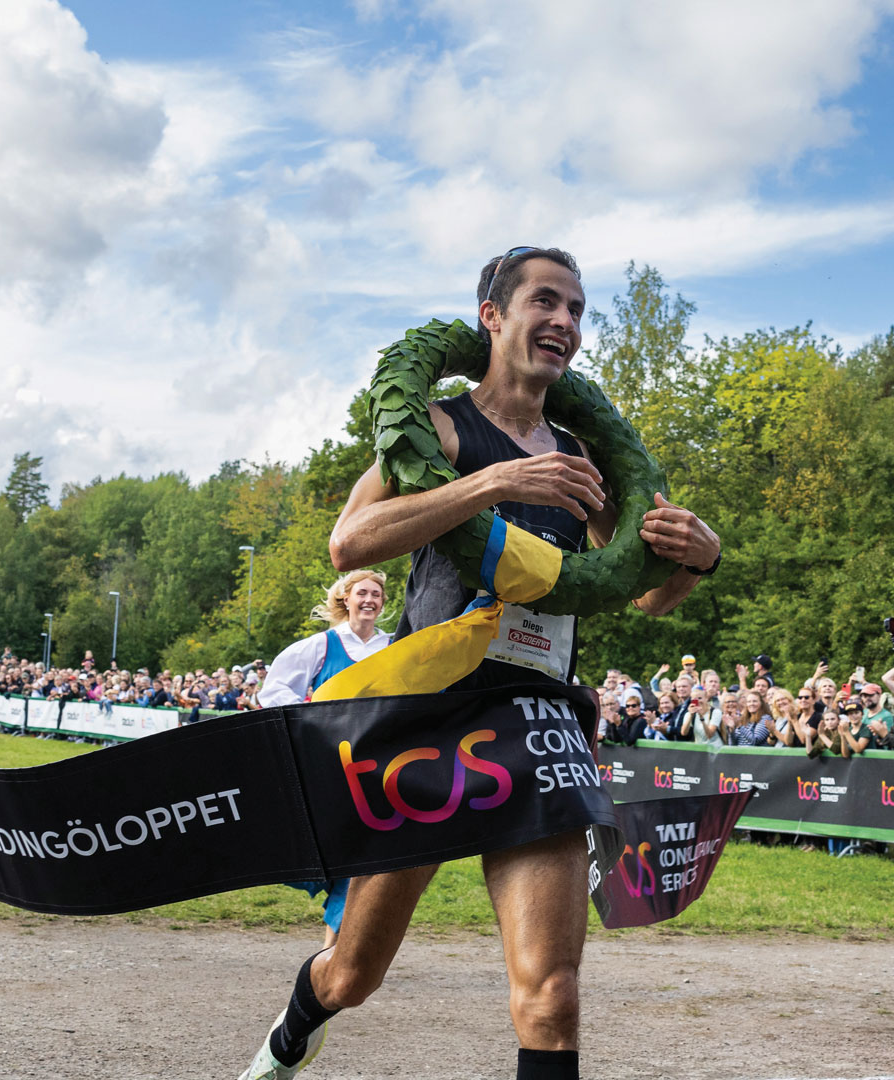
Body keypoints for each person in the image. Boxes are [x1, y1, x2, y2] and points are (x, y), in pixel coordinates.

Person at [240, 245, 721, 1080]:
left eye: (576, 309)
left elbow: (644, 597)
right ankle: (295, 1028)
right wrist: (493, 482)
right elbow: (350, 541)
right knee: (355, 972)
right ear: (493, 318)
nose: (565, 322)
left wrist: (695, 560)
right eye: (545, 302)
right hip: (432, 718)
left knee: (553, 992)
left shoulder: (583, 455)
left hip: (538, 721)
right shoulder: (442, 427)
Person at [258, 569, 396, 949]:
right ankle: (335, 951)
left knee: (365, 853)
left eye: (376, 594)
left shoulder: (393, 646)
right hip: (330, 768)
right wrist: (311, 724)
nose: (370, 600)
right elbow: (274, 690)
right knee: (336, 852)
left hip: (376, 767)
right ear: (346, 599)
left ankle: (333, 951)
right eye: (362, 593)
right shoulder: (321, 646)